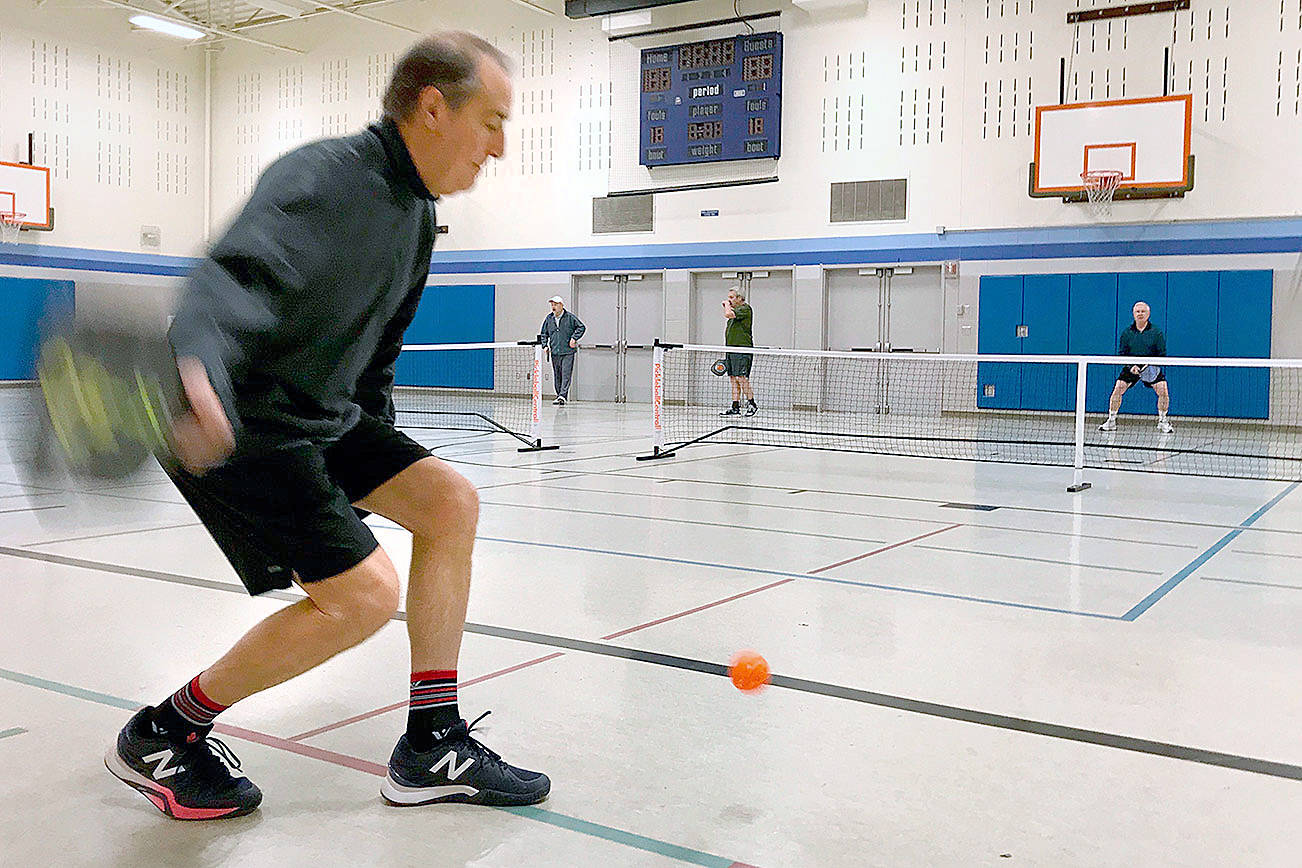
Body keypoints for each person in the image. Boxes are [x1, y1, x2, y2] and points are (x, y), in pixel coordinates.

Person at [104, 32, 550, 821]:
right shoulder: (325, 177)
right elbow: (229, 278)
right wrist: (196, 370)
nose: (499, 147)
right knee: (364, 598)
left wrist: (377, 467)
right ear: (434, 107)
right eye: (492, 121)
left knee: (449, 501)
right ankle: (164, 732)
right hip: (236, 415)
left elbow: (377, 352)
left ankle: (431, 743)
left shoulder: (416, 215)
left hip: (324, 416)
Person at [1098, 300, 1174, 434]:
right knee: (1118, 388)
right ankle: (1111, 420)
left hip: (1150, 368)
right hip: (1131, 367)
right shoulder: (1127, 333)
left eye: (1143, 311)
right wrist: (1131, 366)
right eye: (1137, 311)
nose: (1140, 314)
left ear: (1148, 314)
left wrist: (1149, 365)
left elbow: (1162, 354)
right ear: (1133, 314)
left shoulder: (1157, 333)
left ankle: (1163, 421)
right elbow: (1122, 353)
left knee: (1163, 390)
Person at [539, 295, 585, 405]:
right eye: (552, 305)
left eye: (555, 305)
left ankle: (563, 395)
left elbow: (581, 327)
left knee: (566, 374)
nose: (553, 307)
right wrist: (545, 346)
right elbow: (543, 334)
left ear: (561, 305)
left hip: (568, 351)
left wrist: (574, 338)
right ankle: (559, 394)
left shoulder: (570, 317)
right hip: (555, 352)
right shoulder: (549, 318)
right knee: (557, 374)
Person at [720, 287, 757, 416]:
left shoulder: (745, 309)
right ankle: (735, 407)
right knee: (733, 378)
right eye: (728, 297)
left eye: (732, 297)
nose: (729, 300)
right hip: (730, 349)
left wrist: (726, 305)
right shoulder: (735, 311)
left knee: (742, 378)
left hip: (742, 349)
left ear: (740, 298)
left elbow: (728, 314)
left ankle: (752, 404)